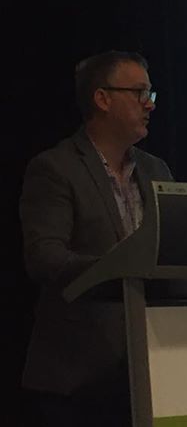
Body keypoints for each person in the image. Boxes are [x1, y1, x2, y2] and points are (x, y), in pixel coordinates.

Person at [20, 51, 173, 426]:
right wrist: (119, 270)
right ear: (102, 98)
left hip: (149, 370)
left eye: (150, 93)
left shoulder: (156, 170)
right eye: (139, 92)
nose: (150, 104)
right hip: (78, 377)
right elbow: (44, 257)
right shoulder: (55, 168)